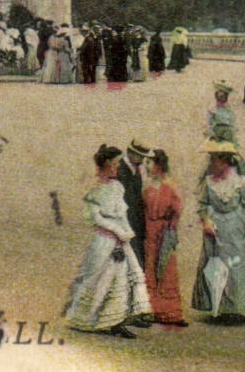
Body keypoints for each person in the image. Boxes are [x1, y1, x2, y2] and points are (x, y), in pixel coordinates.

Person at [62, 144, 151, 339]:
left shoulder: (117, 187)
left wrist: (126, 234)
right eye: (116, 164)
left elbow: (122, 214)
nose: (118, 168)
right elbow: (95, 218)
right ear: (107, 165)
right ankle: (82, 319)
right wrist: (117, 231)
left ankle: (115, 321)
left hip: (121, 241)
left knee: (120, 279)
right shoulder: (94, 189)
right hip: (104, 240)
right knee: (96, 277)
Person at [191, 147, 245, 324]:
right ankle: (218, 308)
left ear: (225, 162)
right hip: (216, 231)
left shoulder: (240, 183)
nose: (211, 164)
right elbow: (202, 205)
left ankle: (238, 308)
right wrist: (207, 221)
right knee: (216, 266)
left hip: (235, 229)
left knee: (236, 267)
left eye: (215, 161)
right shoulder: (210, 182)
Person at [142, 149, 188, 327]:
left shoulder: (171, 186)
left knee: (167, 269)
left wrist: (171, 228)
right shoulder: (147, 187)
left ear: (159, 165)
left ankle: (170, 313)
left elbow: (177, 210)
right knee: (150, 269)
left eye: (150, 164)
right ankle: (151, 310)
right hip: (150, 231)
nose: (147, 168)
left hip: (165, 232)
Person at [115, 141, 152, 277]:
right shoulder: (119, 169)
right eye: (140, 156)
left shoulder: (136, 171)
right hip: (124, 223)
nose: (142, 160)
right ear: (131, 153)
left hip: (136, 224)